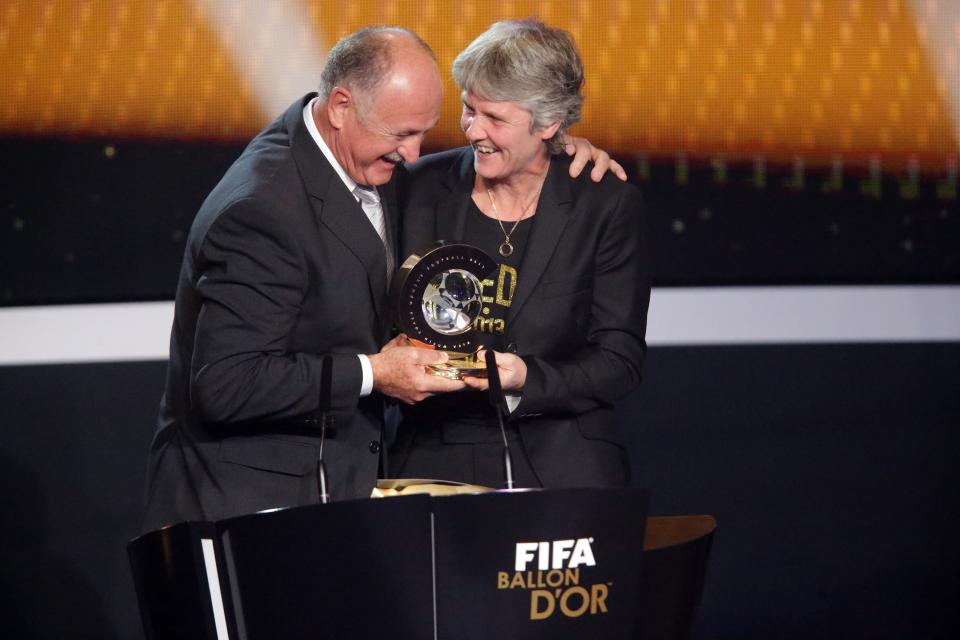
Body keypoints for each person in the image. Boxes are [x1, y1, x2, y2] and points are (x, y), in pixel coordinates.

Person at [140, 26, 620, 532]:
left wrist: (553, 149)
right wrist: (375, 373)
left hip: (335, 495)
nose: (414, 155)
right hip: (245, 509)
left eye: (424, 133)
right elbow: (226, 384)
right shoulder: (263, 209)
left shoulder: (367, 164)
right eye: (402, 134)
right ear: (342, 106)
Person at [390, 19, 650, 489]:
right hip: (436, 451)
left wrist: (526, 377)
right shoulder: (417, 188)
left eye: (496, 118)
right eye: (469, 109)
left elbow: (619, 361)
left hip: (563, 458)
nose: (473, 130)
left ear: (549, 122)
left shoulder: (604, 204)